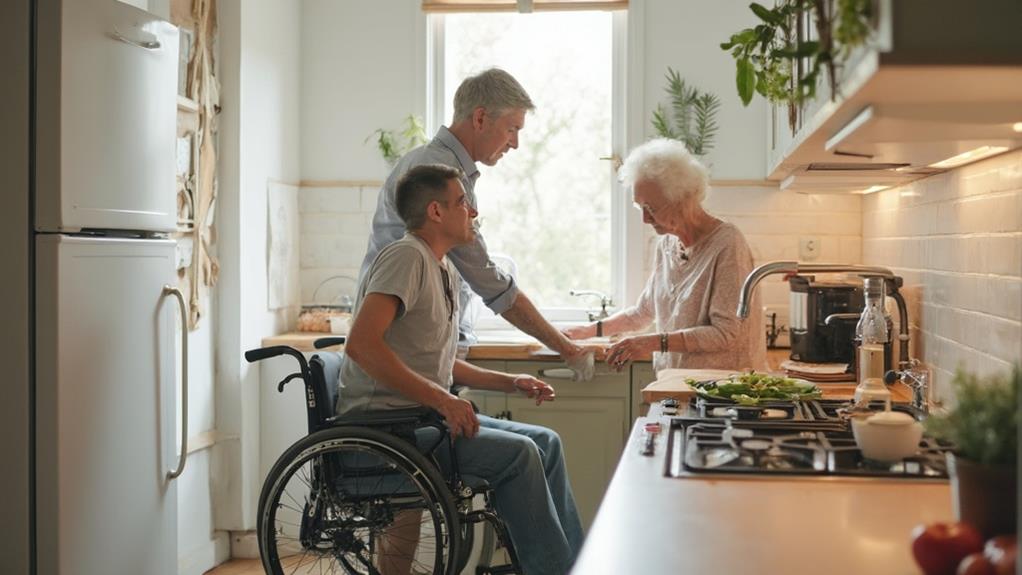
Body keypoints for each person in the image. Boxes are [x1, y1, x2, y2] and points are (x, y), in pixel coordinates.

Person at [339, 164, 584, 575]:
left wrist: (511, 382)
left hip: (420, 419)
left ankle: (575, 565)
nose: (472, 212)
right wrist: (443, 400)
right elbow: (362, 345)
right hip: (386, 427)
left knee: (546, 442)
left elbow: (438, 361)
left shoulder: (443, 267)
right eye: (463, 203)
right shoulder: (405, 257)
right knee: (521, 455)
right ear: (436, 212)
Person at [361, 67, 593, 380]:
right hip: (401, 360)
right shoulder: (440, 173)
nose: (515, 144)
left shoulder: (443, 167)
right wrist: (566, 348)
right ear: (480, 118)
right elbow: (488, 280)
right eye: (512, 129)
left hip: (418, 353)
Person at [564, 138, 766, 373]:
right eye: (640, 208)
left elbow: (726, 333)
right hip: (674, 384)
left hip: (721, 393)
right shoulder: (667, 244)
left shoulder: (727, 243)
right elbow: (643, 312)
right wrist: (587, 331)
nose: (645, 219)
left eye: (651, 208)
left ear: (681, 201)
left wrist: (652, 342)